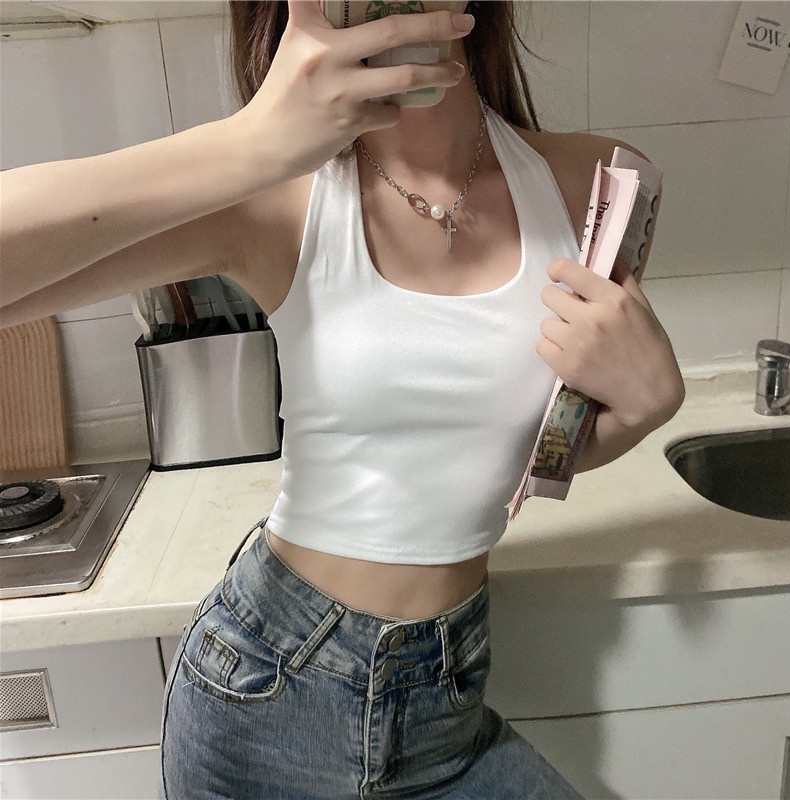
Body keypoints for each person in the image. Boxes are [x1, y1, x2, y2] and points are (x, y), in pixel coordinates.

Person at [0, 1, 685, 797]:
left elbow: (523, 448)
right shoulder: (277, 196)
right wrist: (249, 145)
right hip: (274, 698)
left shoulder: (595, 184)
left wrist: (641, 411)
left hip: (448, 707)